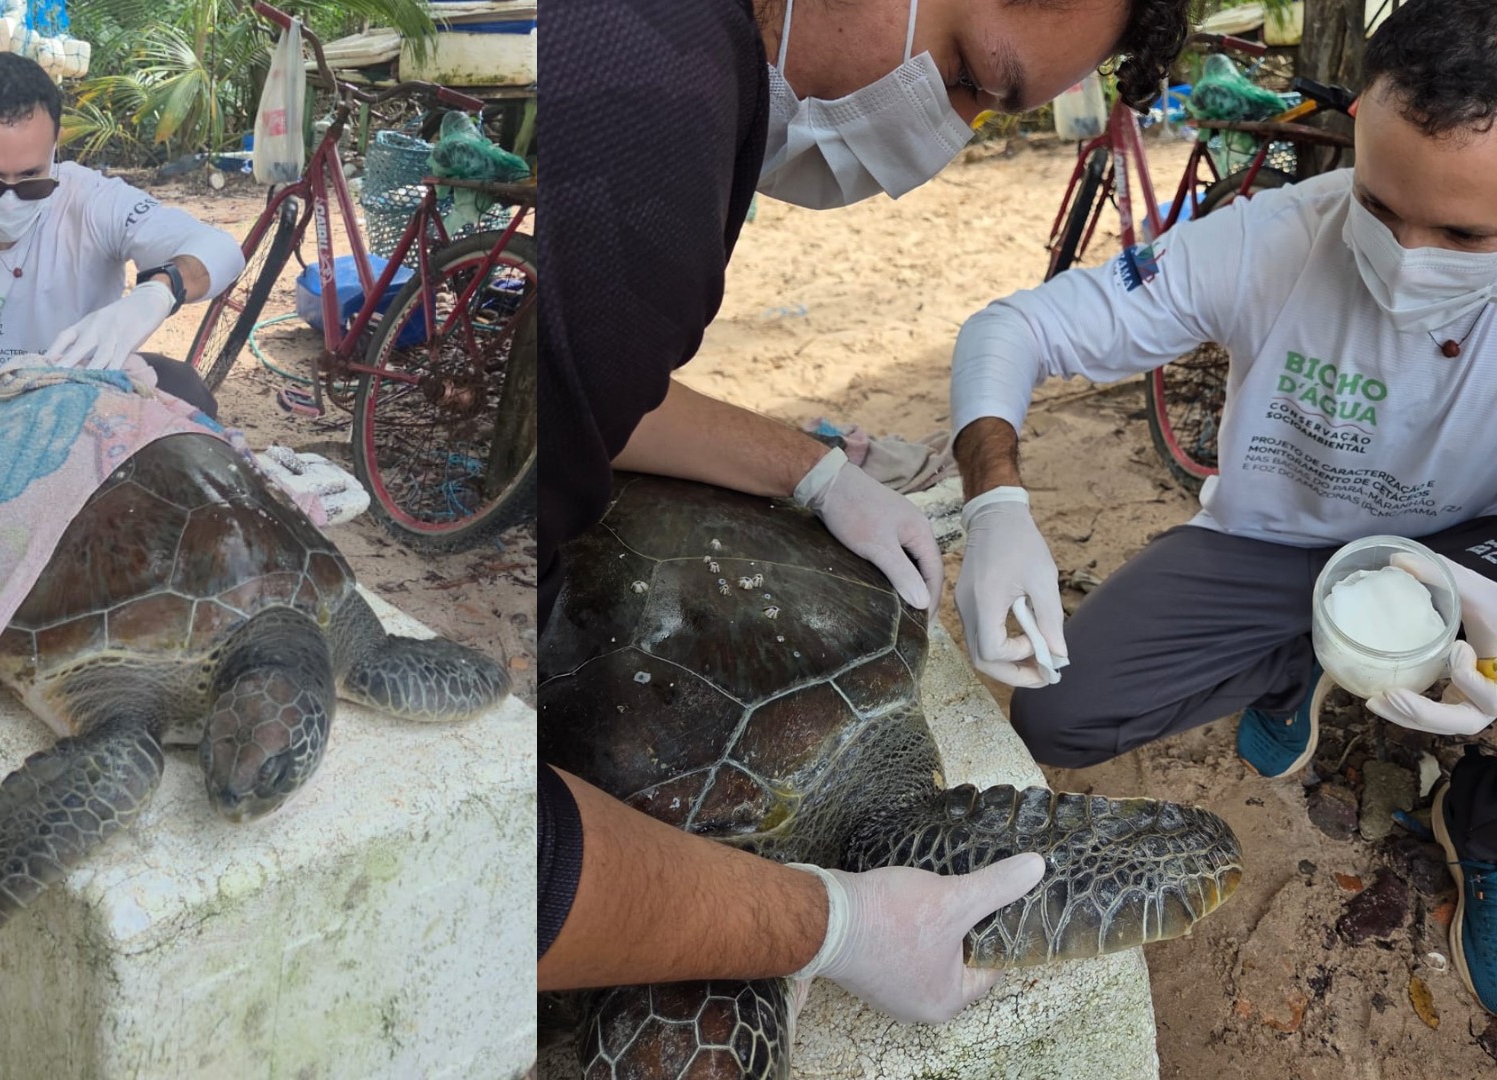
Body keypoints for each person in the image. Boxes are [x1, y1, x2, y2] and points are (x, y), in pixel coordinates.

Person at [536, 0, 1194, 1024]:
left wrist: (814, 473)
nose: (947, 132)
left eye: (988, 110)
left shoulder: (680, 68)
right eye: (969, 73)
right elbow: (501, 855)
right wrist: (830, 924)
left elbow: (586, 389)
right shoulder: (649, 112)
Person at [948, 0, 1497, 1014]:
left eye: (1464, 234)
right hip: (1271, 544)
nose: (1407, 258)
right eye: (1378, 207)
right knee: (1061, 712)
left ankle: (1486, 824)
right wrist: (994, 504)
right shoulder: (1268, 238)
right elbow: (1011, 331)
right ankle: (1294, 667)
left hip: (1467, 550)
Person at [0, 51, 243, 444]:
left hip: (93, 405)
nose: (10, 201)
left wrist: (158, 292)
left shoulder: (92, 202)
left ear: (54, 146)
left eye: (33, 180)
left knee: (182, 386)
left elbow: (220, 249)